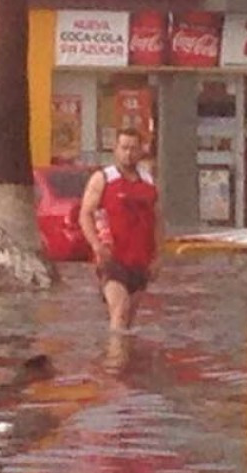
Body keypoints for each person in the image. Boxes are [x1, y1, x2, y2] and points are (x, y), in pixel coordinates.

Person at [78, 128, 164, 331]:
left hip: (140, 261)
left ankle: (126, 359)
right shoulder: (103, 178)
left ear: (141, 151)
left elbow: (158, 221)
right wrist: (96, 246)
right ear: (115, 149)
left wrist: (159, 256)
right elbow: (85, 214)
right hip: (112, 258)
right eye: (124, 148)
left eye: (133, 148)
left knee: (129, 321)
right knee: (120, 310)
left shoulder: (149, 182)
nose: (128, 153)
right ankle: (114, 362)